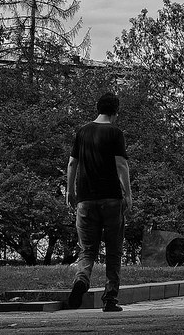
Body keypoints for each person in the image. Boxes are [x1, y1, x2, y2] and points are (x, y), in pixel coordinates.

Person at [66, 93, 132, 312]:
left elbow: (72, 163)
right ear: (115, 112)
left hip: (85, 200)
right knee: (114, 251)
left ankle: (81, 280)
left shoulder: (82, 132)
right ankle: (110, 299)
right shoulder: (115, 133)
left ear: (98, 108)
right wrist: (128, 194)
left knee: (87, 249)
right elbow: (121, 165)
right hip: (111, 199)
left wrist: (70, 191)